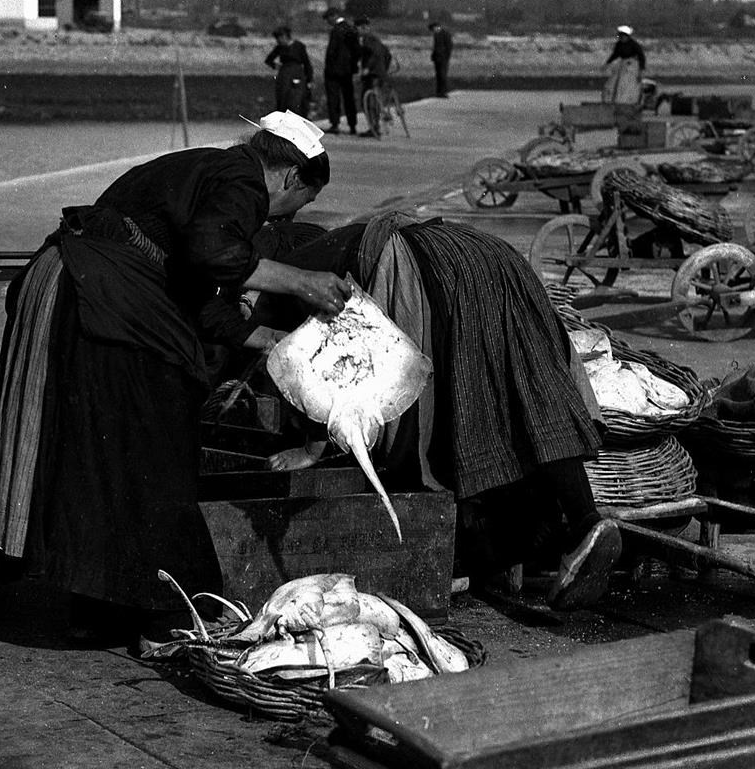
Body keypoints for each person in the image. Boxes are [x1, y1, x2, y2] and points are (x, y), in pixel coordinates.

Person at [0, 112, 353, 645]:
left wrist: (272, 341)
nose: (285, 220)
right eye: (301, 204)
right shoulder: (241, 179)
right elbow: (216, 256)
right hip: (97, 296)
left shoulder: (204, 171)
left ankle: (100, 604)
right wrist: (303, 281)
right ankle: (160, 608)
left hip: (77, 291)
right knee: (151, 451)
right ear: (292, 179)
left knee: (96, 456)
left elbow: (199, 296)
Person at [250, 215, 622, 610]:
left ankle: (492, 540)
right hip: (495, 257)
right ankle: (584, 521)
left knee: (442, 412)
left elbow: (323, 364)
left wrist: (311, 449)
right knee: (529, 383)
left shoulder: (284, 283)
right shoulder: (330, 244)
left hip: (438, 270)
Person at [322, 9, 362, 136]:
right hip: (347, 70)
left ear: (334, 16)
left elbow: (332, 51)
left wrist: (328, 66)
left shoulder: (336, 31)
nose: (327, 22)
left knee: (333, 97)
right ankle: (352, 125)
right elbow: (357, 51)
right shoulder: (351, 29)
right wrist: (353, 66)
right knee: (349, 98)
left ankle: (335, 124)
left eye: (328, 19)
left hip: (333, 70)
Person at [356, 17, 394, 138]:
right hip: (380, 73)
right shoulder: (376, 40)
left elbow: (374, 54)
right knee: (376, 98)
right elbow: (387, 55)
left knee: (369, 100)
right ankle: (375, 125)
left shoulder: (368, 40)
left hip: (373, 74)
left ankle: (374, 127)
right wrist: (384, 70)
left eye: (358, 29)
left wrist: (368, 68)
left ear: (362, 28)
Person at [264, 24, 314, 117]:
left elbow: (307, 63)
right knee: (283, 99)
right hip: (284, 75)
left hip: (297, 74)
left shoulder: (299, 46)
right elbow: (268, 60)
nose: (278, 41)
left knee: (296, 100)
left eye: (279, 38)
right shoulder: (279, 47)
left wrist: (309, 79)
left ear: (285, 36)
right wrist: (276, 66)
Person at [603, 25, 646, 105]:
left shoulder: (634, 44)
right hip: (622, 64)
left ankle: (626, 102)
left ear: (627, 36)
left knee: (625, 84)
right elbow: (615, 54)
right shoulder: (619, 44)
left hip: (632, 65)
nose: (621, 38)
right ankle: (613, 101)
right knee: (613, 83)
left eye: (623, 36)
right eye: (620, 36)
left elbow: (641, 57)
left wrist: (641, 71)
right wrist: (608, 63)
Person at [428, 20, 453, 98]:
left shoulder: (445, 34)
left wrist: (446, 57)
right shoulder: (436, 35)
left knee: (443, 75)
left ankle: (443, 92)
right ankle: (439, 92)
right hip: (437, 58)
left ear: (437, 27)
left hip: (443, 58)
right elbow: (435, 48)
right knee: (439, 75)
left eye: (433, 29)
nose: (432, 31)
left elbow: (449, 46)